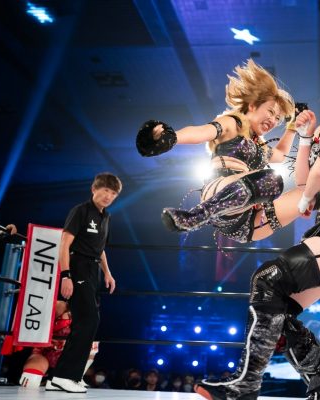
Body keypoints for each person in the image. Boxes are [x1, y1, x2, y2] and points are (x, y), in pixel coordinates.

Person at [195, 54, 320, 400]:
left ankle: (245, 386)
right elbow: (304, 179)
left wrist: (305, 200)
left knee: (268, 279)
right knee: (278, 311)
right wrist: (305, 137)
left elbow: (319, 175)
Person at [137, 59, 299, 243]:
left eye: (278, 118)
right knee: (271, 179)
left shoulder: (260, 146)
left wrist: (293, 126)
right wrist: (171, 137)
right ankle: (196, 216)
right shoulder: (233, 123)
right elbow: (201, 132)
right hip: (218, 191)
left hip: (245, 225)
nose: (273, 120)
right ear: (253, 105)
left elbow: (280, 155)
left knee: (291, 189)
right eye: (270, 112)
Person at [47, 172, 121, 393]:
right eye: (105, 190)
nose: (108, 196)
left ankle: (63, 376)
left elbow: (100, 248)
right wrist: (65, 275)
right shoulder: (81, 211)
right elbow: (64, 244)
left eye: (113, 193)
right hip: (77, 265)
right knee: (87, 320)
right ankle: (64, 376)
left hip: (92, 270)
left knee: (87, 322)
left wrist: (107, 273)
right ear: (94, 189)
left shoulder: (106, 217)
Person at [19, 299, 99, 389]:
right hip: (45, 352)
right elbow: (34, 321)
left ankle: (74, 378)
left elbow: (91, 353)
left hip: (68, 360)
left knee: (92, 346)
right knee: (31, 381)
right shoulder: (60, 306)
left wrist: (77, 375)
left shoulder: (92, 318)